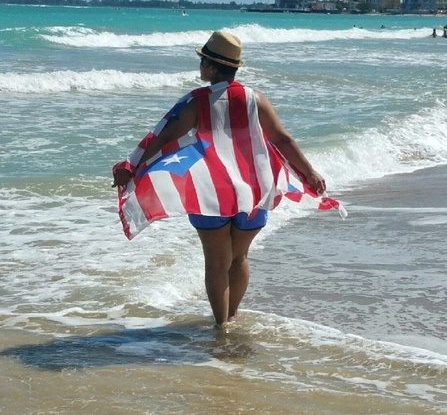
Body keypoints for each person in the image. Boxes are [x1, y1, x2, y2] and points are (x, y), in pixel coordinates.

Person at [112, 31, 329, 329]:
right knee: (239, 258)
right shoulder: (256, 99)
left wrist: (131, 166)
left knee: (216, 261)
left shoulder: (197, 102)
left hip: (211, 193)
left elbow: (163, 138)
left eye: (203, 61)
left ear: (212, 67)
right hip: (253, 191)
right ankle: (232, 317)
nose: (200, 65)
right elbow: (282, 139)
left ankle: (221, 327)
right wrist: (310, 173)